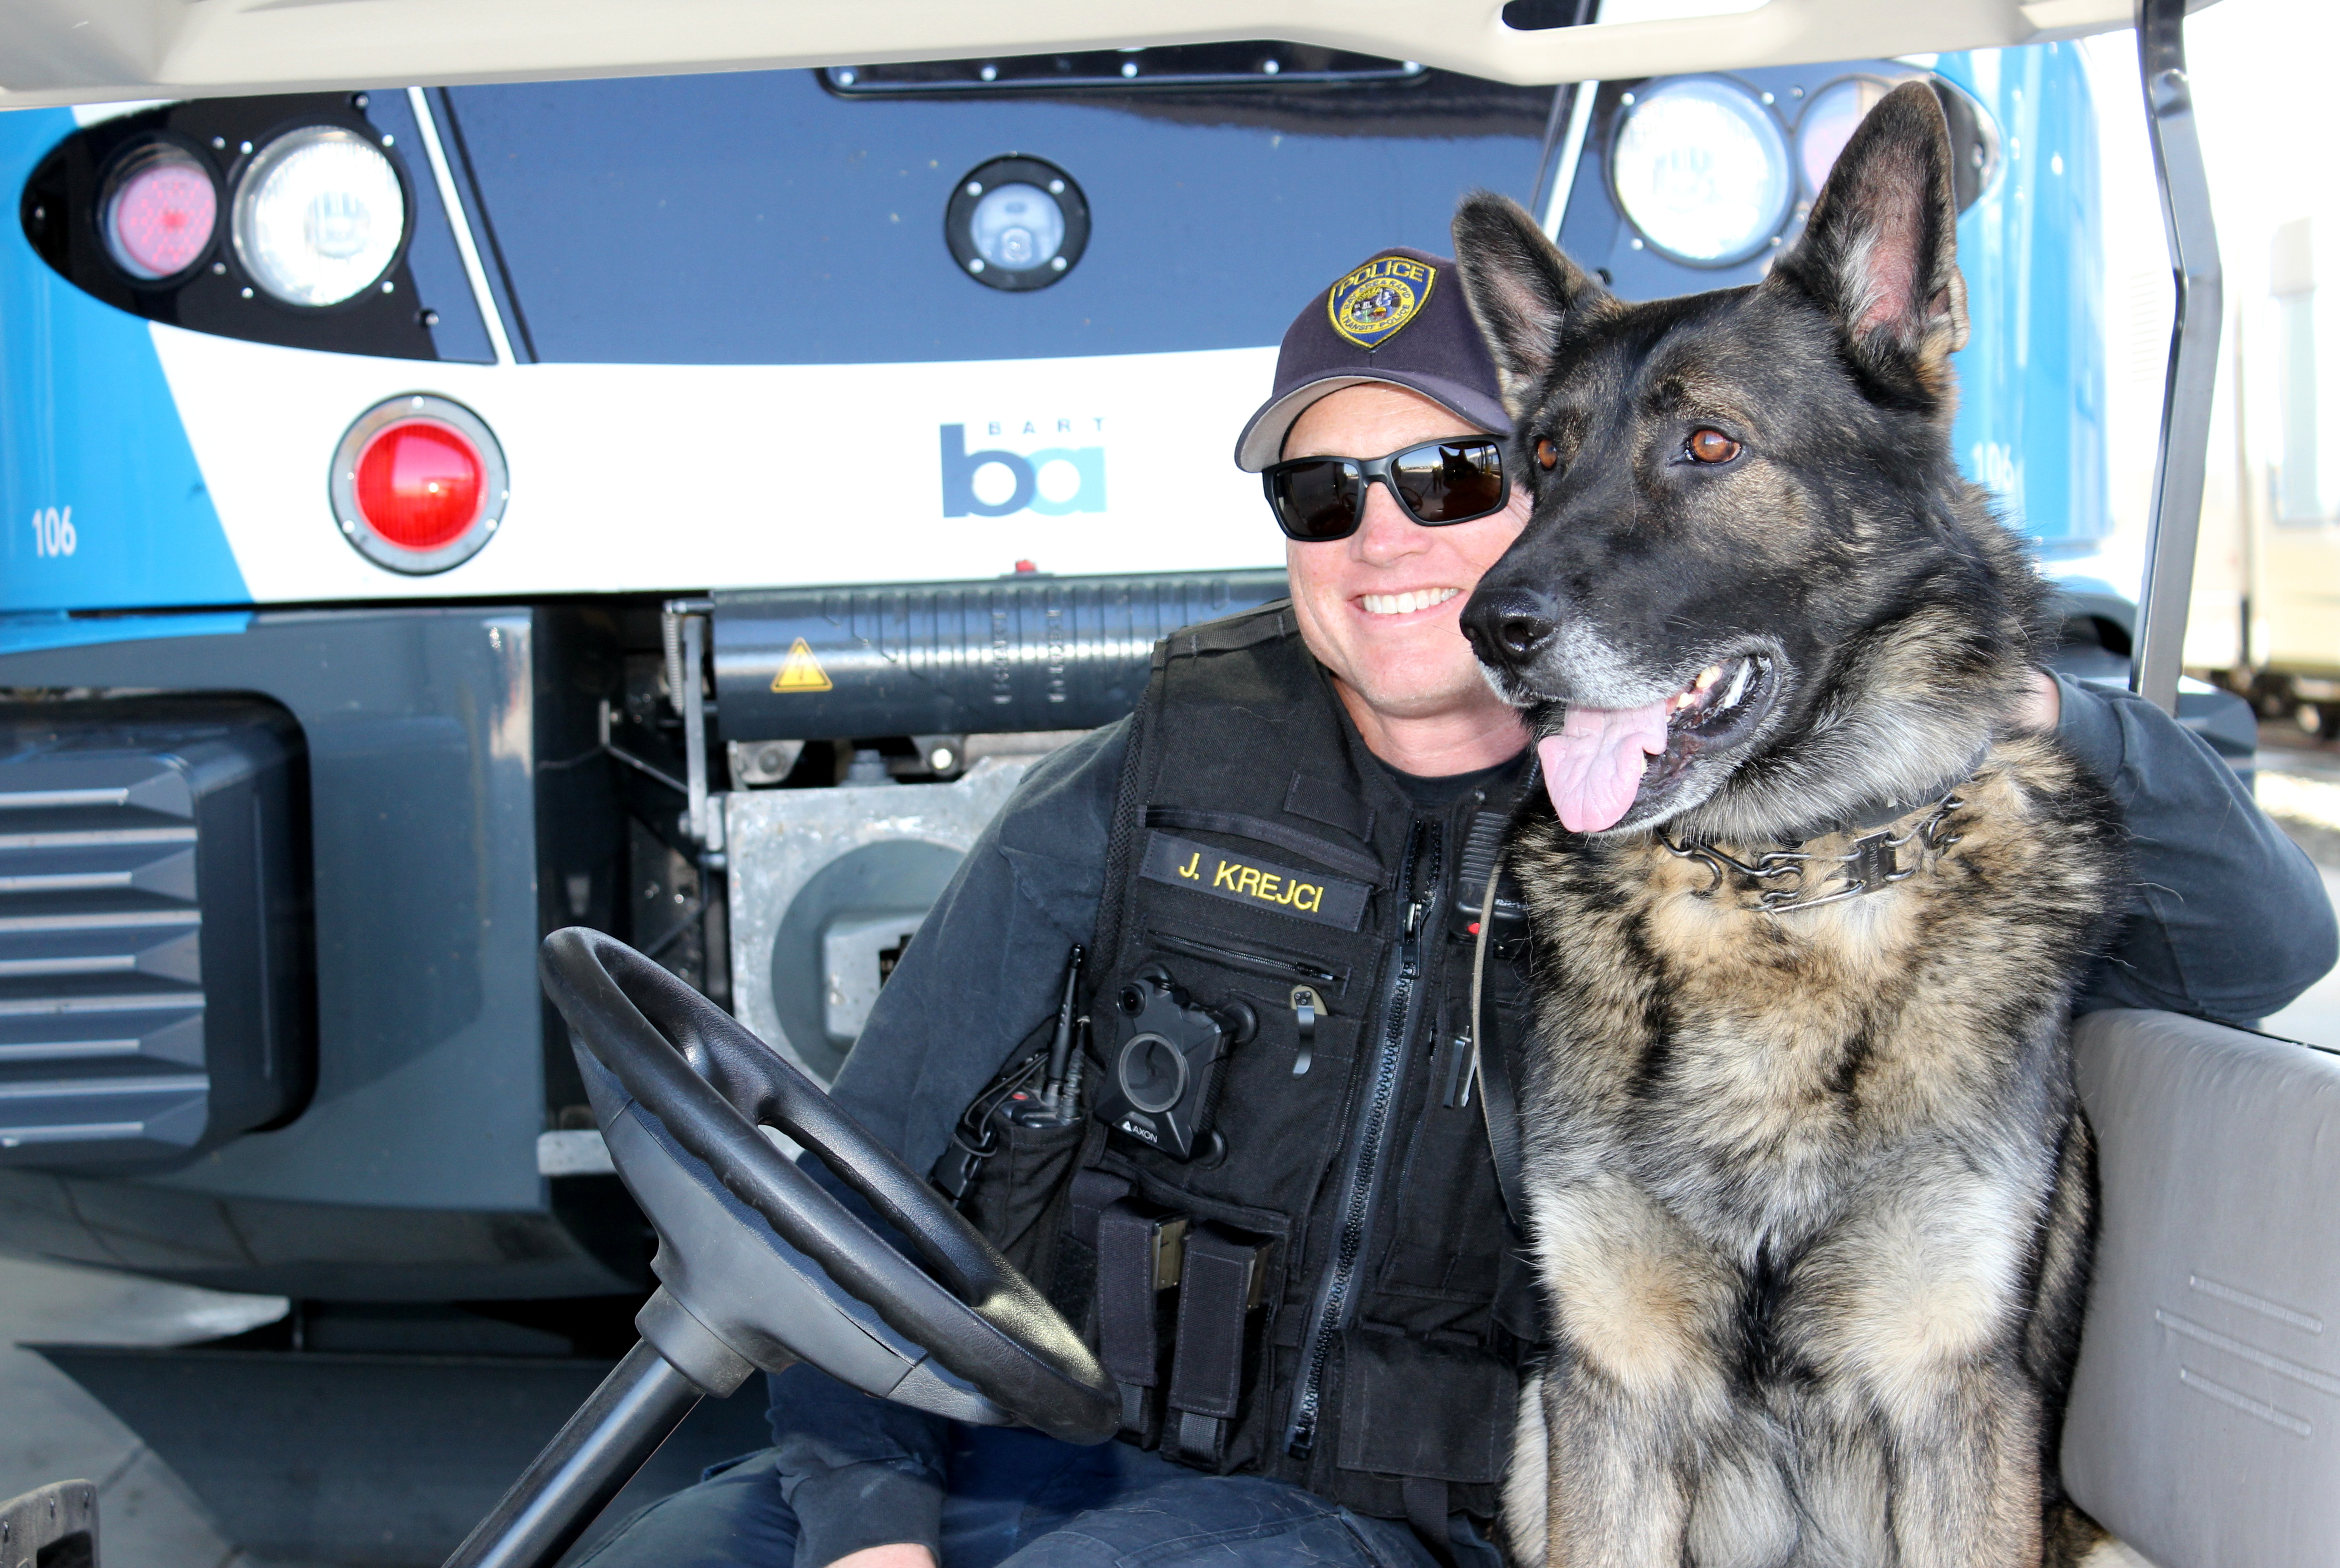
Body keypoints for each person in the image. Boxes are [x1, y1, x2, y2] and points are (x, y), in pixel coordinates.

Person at [577, 247, 2336, 1568]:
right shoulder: (1154, 773)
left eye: (1454, 479)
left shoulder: (1726, 794)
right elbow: (870, 1175)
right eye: (1321, 494)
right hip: (1053, 1456)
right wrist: (875, 1517)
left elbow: (2251, 948)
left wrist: (2021, 698)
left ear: (1568, 495)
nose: (1387, 539)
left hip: (1385, 1533)